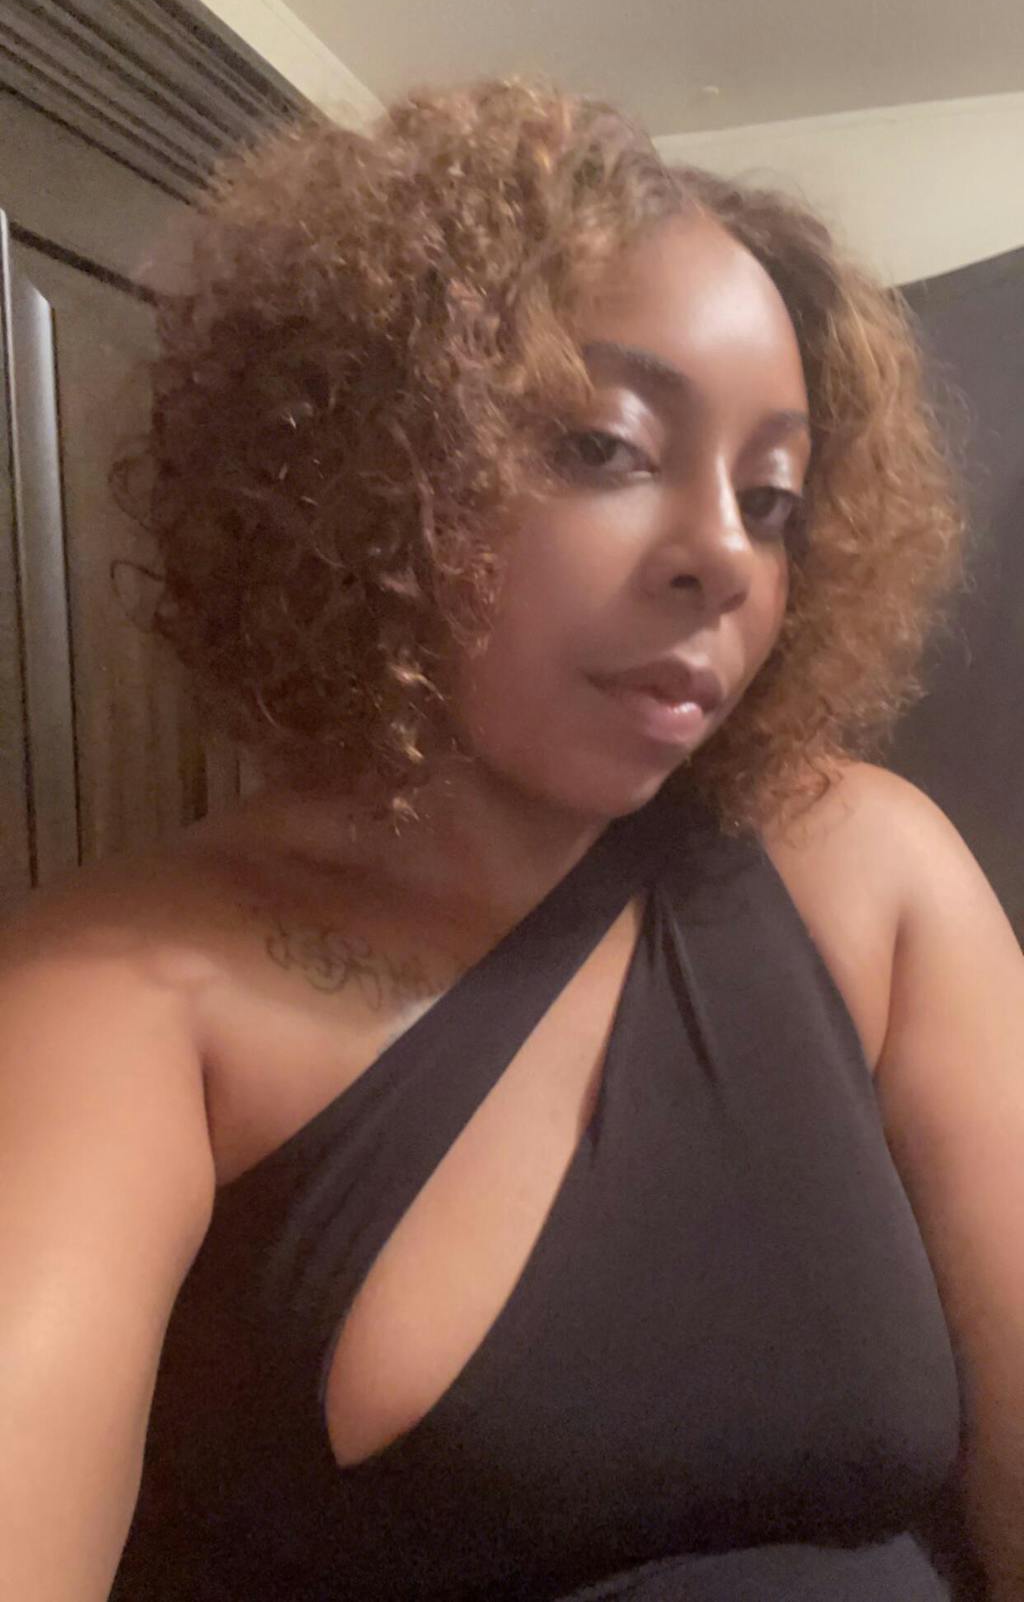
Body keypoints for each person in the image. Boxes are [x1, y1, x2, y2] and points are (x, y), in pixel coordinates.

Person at [1, 77, 1021, 1602]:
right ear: (366, 467)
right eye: (607, 446)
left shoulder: (872, 873)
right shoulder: (120, 993)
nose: (722, 555)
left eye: (772, 498)